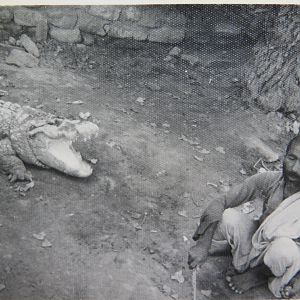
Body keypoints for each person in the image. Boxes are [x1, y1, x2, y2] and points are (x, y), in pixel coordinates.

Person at [188, 135, 300, 299]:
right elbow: (221, 202)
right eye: (292, 158)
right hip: (259, 244)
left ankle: (258, 276)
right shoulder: (271, 180)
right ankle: (239, 257)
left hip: (286, 259)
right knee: (229, 217)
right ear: (285, 155)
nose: (295, 168)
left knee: (284, 249)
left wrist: (297, 282)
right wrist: (203, 244)